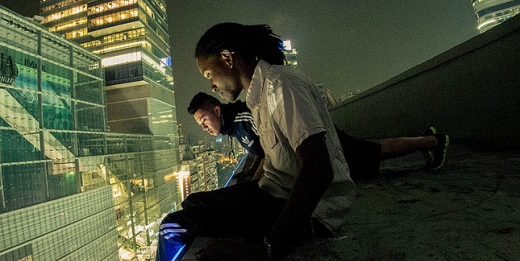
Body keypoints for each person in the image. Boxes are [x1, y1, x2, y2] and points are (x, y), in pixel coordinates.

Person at [104, 22, 357, 261]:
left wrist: (267, 249)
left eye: (209, 74)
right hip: (275, 191)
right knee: (193, 204)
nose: (212, 85)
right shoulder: (260, 95)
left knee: (172, 227)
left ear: (227, 58)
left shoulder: (281, 85)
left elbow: (318, 168)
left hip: (316, 211)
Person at [187, 92, 450, 181]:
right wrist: (250, 173)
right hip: (311, 150)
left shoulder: (243, 118)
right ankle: (429, 140)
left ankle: (434, 141)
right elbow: (261, 151)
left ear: (216, 110)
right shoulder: (233, 127)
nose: (204, 127)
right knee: (372, 156)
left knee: (377, 152)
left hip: (316, 143)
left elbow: (270, 150)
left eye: (204, 120)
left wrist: (254, 185)